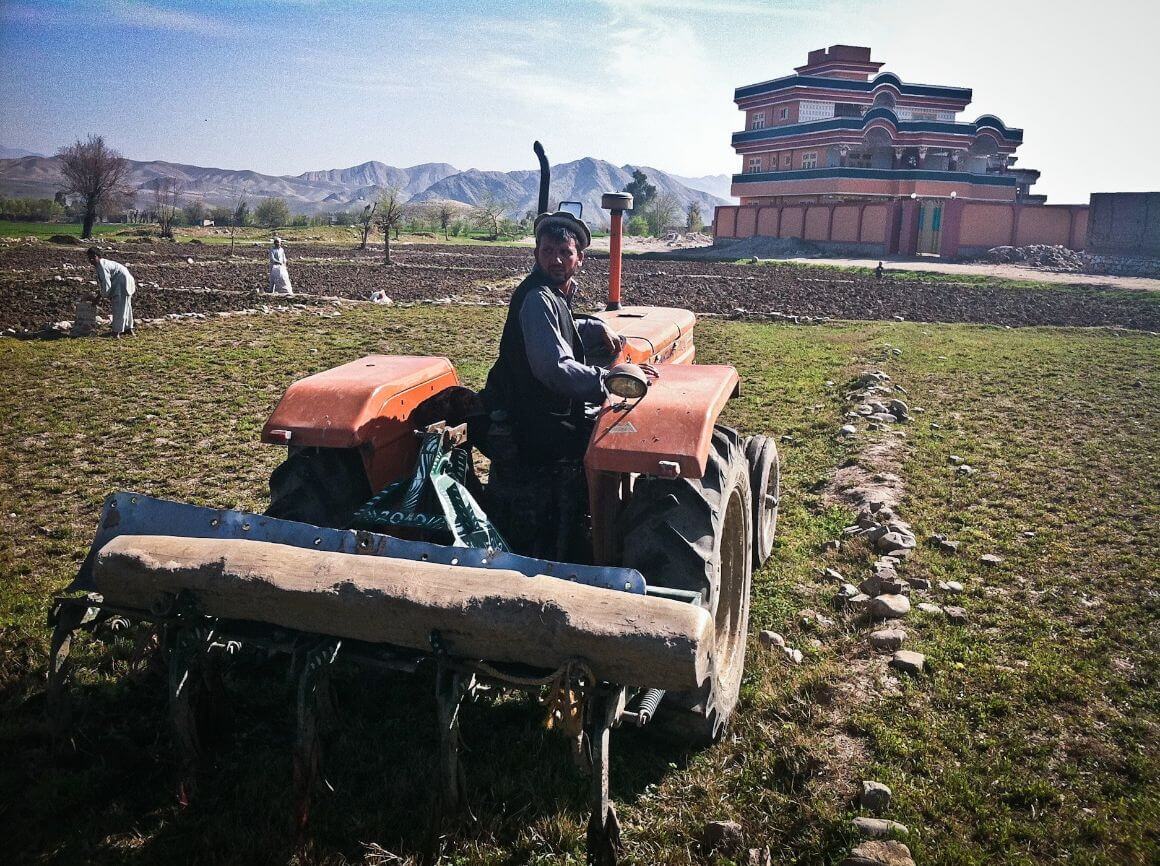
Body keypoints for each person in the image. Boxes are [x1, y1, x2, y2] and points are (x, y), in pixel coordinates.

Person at [476, 210, 622, 558]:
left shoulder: (554, 294)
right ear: (536, 254)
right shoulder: (538, 297)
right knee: (608, 435)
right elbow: (553, 368)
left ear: (580, 259)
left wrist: (592, 327)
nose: (555, 259)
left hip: (537, 414)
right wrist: (607, 381)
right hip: (528, 424)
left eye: (564, 252)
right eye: (547, 251)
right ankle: (593, 537)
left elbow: (560, 331)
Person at [86, 247, 136, 337]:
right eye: (89, 258)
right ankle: (128, 328)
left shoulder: (102, 266)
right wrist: (100, 296)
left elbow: (106, 283)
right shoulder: (102, 264)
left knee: (119, 307)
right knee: (126, 306)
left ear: (98, 256)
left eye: (93, 257)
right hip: (125, 281)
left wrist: (101, 297)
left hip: (121, 283)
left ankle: (116, 332)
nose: (91, 260)